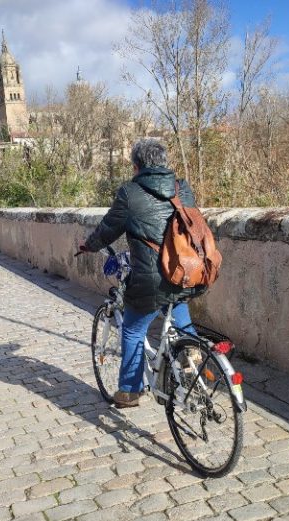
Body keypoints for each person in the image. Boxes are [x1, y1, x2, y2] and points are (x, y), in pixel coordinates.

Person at [81, 139, 202, 408]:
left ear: (137, 166)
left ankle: (129, 391)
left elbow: (108, 229)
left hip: (150, 280)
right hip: (185, 272)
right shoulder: (182, 188)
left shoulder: (129, 192)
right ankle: (192, 355)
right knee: (178, 310)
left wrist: (89, 246)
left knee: (134, 329)